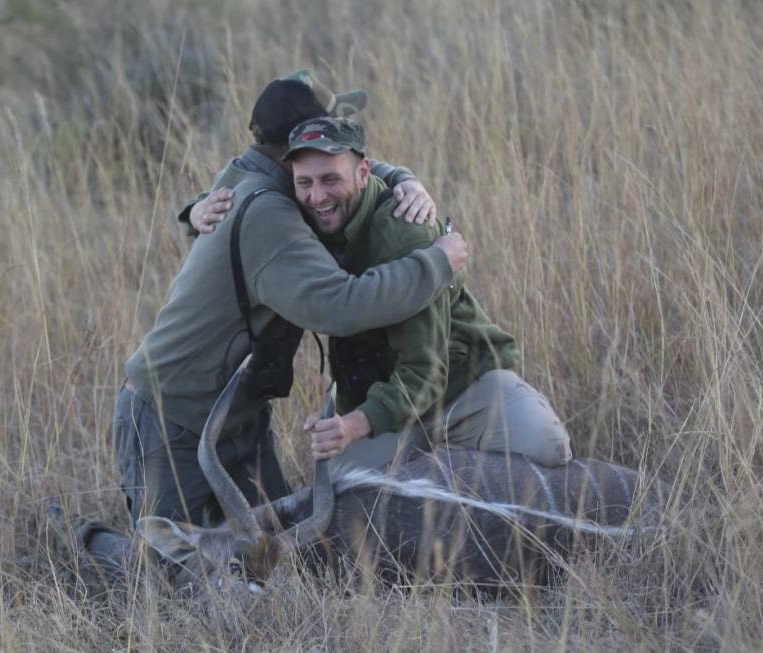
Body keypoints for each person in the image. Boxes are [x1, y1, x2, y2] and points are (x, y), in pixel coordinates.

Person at [117, 71, 468, 526]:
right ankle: (88, 541)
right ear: (292, 153)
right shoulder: (270, 215)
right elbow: (340, 307)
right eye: (325, 132)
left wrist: (406, 179)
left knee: (281, 552)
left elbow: (355, 167)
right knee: (170, 571)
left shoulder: (254, 174)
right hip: (172, 414)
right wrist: (436, 263)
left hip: (233, 413)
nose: (333, 142)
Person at [283, 116, 573, 469]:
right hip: (388, 406)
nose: (317, 196)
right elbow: (249, 185)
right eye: (305, 183)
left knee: (550, 448)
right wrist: (202, 207)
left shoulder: (406, 230)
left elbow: (426, 370)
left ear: (363, 173)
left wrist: (351, 426)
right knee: (342, 495)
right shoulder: (299, 224)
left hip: (463, 388)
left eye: (331, 179)